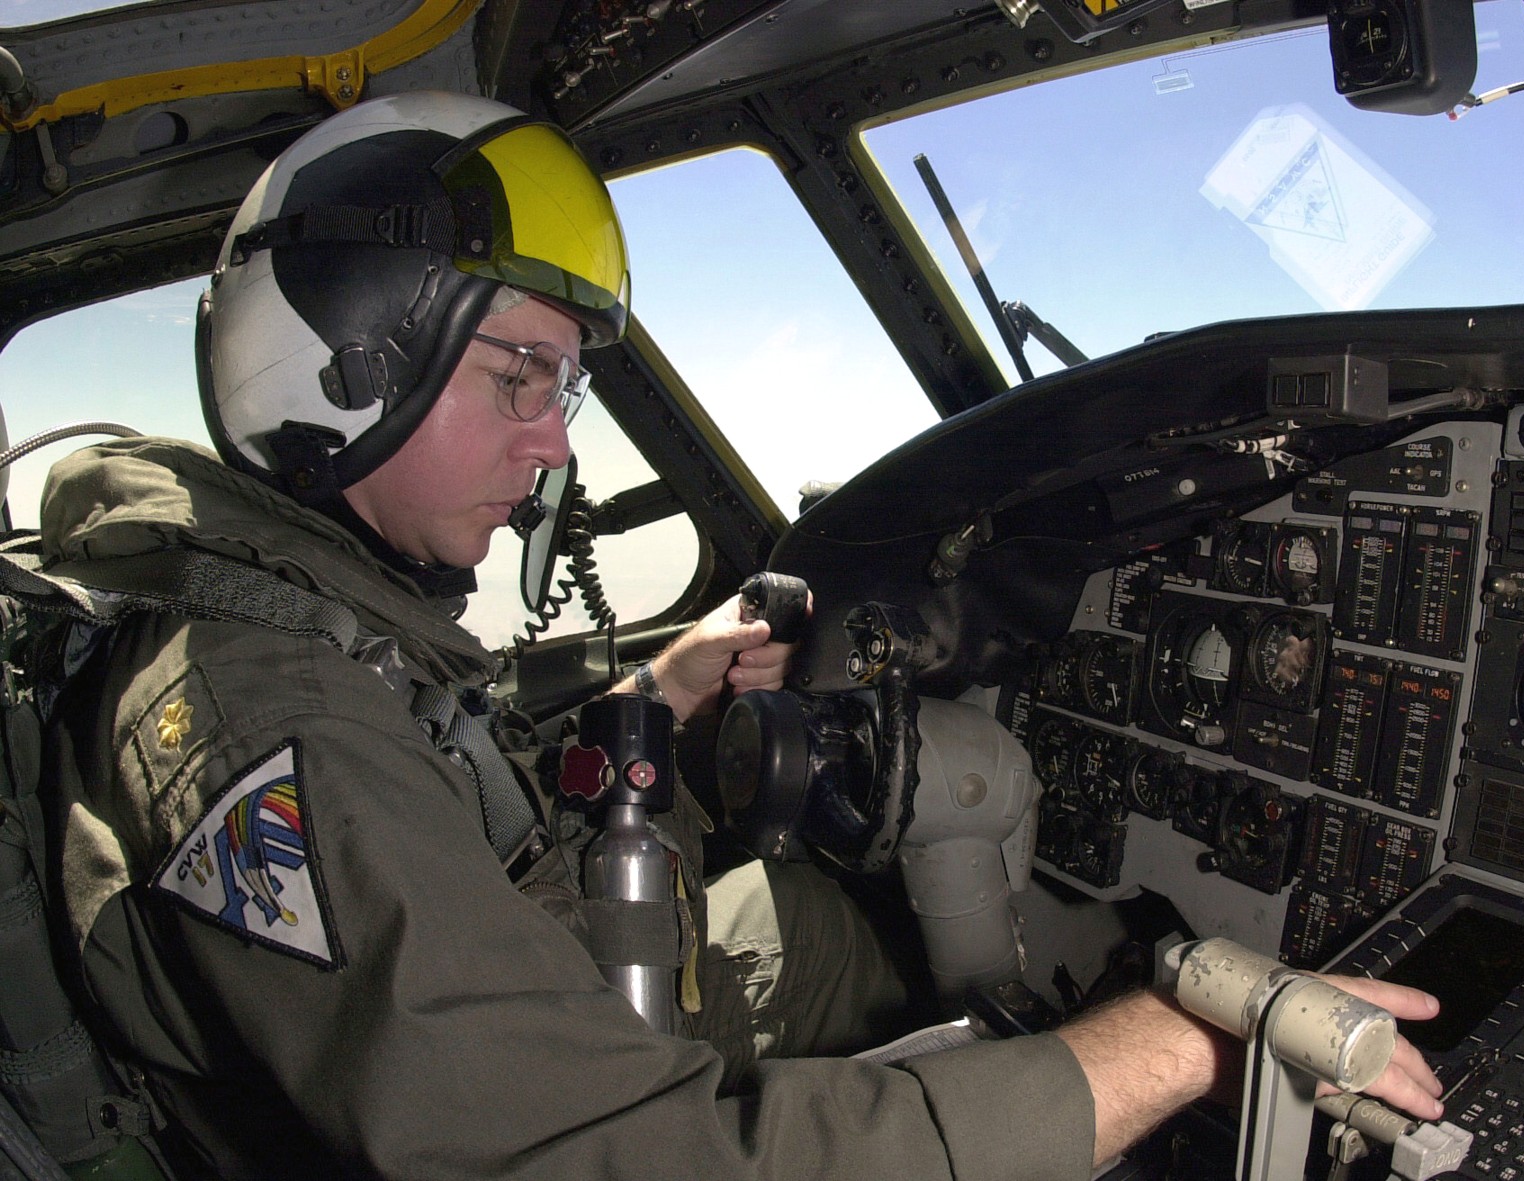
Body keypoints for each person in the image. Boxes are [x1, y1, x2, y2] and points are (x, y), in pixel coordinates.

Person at [37, 91, 1442, 1179]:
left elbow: (436, 788)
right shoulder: (256, 716)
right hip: (565, 1117)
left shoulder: (306, 617)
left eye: (565, 392)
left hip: (539, 968)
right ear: (351, 354)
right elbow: (625, 1161)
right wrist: (1182, 1042)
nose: (549, 451)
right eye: (522, 375)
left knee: (836, 928)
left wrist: (653, 692)